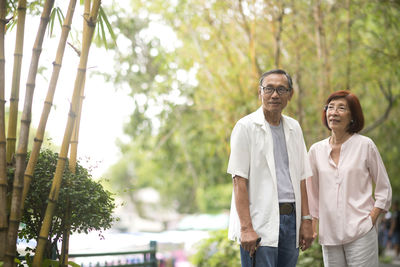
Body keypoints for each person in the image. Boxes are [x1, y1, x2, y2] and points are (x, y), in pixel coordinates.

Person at [227, 69, 314, 267]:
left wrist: (306, 220)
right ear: (260, 92)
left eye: (281, 89)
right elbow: (239, 181)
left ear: (290, 95)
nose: (275, 95)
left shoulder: (294, 127)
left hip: (291, 220)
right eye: (269, 89)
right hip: (260, 220)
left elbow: (302, 178)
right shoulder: (245, 127)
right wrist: (246, 228)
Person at [306, 90, 392, 267]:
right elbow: (311, 194)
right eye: (330, 107)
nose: (334, 112)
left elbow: (384, 188)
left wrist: (371, 219)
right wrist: (312, 226)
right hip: (329, 234)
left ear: (352, 116)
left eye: (341, 108)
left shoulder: (365, 145)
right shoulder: (315, 151)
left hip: (361, 230)